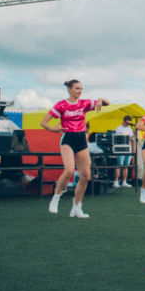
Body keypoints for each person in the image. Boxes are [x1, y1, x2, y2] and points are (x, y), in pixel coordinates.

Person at [40, 80, 110, 217]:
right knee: (69, 170)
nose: (80, 91)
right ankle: (56, 198)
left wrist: (101, 99)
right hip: (67, 139)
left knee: (86, 176)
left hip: (81, 140)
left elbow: (108, 103)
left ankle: (77, 207)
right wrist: (54, 130)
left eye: (81, 88)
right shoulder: (61, 105)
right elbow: (44, 122)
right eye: (77, 88)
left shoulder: (84, 103)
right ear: (69, 89)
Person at [112, 115, 135, 188]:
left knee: (126, 165)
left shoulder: (130, 129)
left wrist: (133, 151)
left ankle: (124, 181)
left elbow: (132, 140)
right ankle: (116, 181)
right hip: (120, 149)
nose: (128, 123)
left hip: (128, 149)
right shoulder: (118, 128)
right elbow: (115, 139)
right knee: (119, 165)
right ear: (124, 120)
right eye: (127, 121)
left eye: (129, 121)